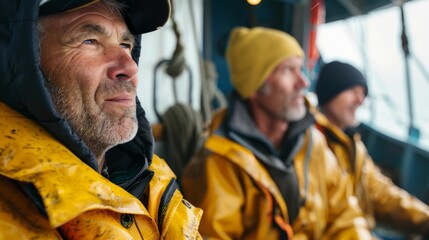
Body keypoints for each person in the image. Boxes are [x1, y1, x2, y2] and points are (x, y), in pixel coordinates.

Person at [0, 0, 202, 239]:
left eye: (126, 44)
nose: (130, 66)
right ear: (19, 62)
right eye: (90, 41)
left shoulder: (154, 181)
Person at [182, 26, 372, 239]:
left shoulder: (312, 141)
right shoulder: (218, 162)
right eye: (288, 70)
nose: (303, 82)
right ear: (255, 86)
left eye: (300, 69)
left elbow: (345, 215)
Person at [314, 60, 429, 238]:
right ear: (330, 93)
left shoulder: (353, 145)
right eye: (352, 91)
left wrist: (425, 218)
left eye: (363, 94)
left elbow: (379, 192)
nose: (360, 100)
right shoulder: (311, 147)